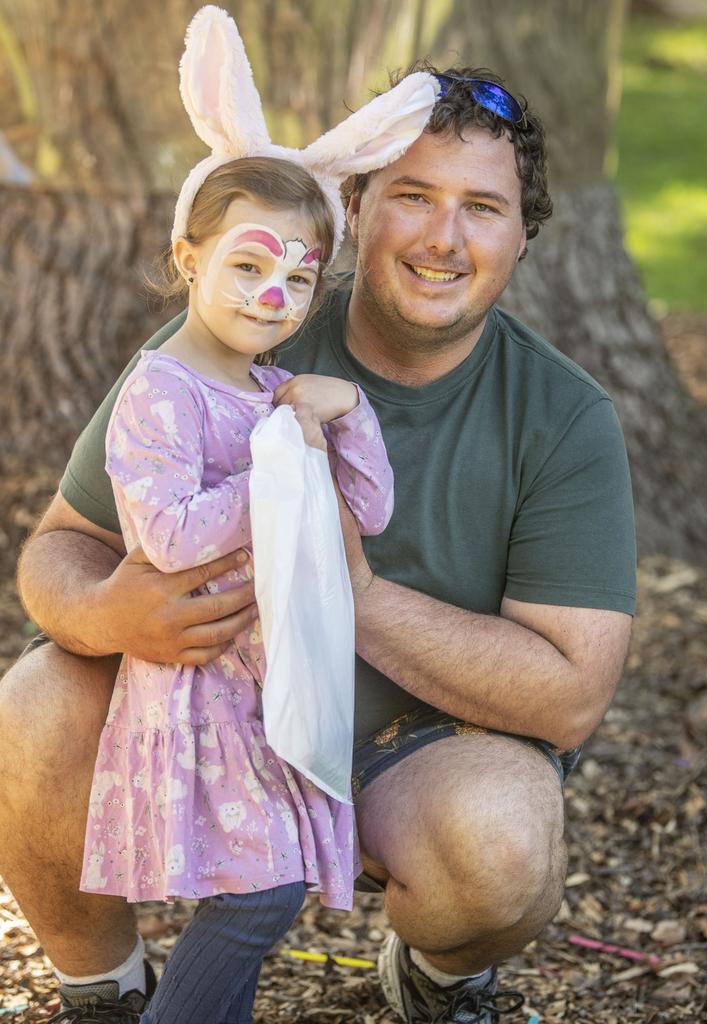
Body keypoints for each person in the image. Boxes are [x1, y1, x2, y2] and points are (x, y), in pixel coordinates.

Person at [0, 49, 636, 1024]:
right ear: (352, 213)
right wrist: (107, 607)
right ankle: (104, 987)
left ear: (523, 234)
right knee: (31, 706)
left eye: (482, 206)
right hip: (208, 709)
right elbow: (56, 549)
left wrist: (358, 594)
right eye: (413, 195)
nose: (443, 236)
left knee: (502, 845)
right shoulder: (243, 324)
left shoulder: (563, 414)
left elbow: (569, 697)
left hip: (408, 744)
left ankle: (436, 974)